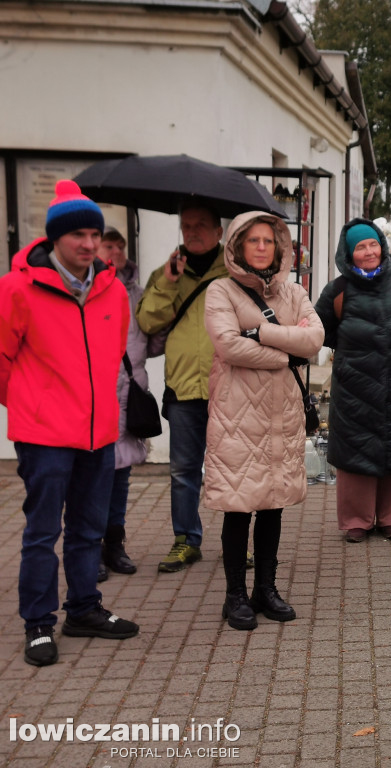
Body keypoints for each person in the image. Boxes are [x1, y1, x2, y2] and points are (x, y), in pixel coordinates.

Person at [0, 180, 140, 667]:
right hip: (44, 436)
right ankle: (38, 623)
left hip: (98, 433)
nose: (87, 243)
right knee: (42, 533)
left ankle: (83, 609)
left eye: (93, 234)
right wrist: (30, 404)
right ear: (55, 238)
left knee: (88, 530)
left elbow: (112, 355)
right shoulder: (18, 287)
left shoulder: (113, 291)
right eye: (77, 233)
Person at [203, 212, 324, 630]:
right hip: (237, 415)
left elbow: (314, 339)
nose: (260, 247)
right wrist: (285, 352)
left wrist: (261, 334)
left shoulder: (293, 292)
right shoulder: (220, 290)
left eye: (268, 241)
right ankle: (234, 594)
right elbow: (228, 346)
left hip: (281, 413)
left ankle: (266, 589)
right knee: (239, 506)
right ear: (237, 246)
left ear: (280, 247)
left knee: (273, 505)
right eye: (252, 240)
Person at [314, 219, 391, 543]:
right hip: (355, 388)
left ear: (382, 246)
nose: (368, 252)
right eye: (360, 247)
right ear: (348, 254)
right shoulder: (337, 291)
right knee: (355, 452)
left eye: (373, 244)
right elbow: (320, 331)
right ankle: (355, 521)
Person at [137, 202, 230, 573]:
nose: (192, 231)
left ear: (219, 232)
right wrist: (168, 283)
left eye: (201, 225)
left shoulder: (235, 272)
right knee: (183, 470)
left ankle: (236, 542)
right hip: (183, 386)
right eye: (186, 225)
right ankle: (186, 540)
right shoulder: (167, 273)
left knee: (231, 469)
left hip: (229, 386)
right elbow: (146, 321)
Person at [97, 228, 162, 581]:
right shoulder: (87, 292)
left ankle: (114, 544)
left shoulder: (139, 295)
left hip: (128, 394)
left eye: (121, 245)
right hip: (96, 395)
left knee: (120, 478)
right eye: (109, 245)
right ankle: (90, 549)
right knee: (92, 478)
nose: (116, 250)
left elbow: (152, 341)